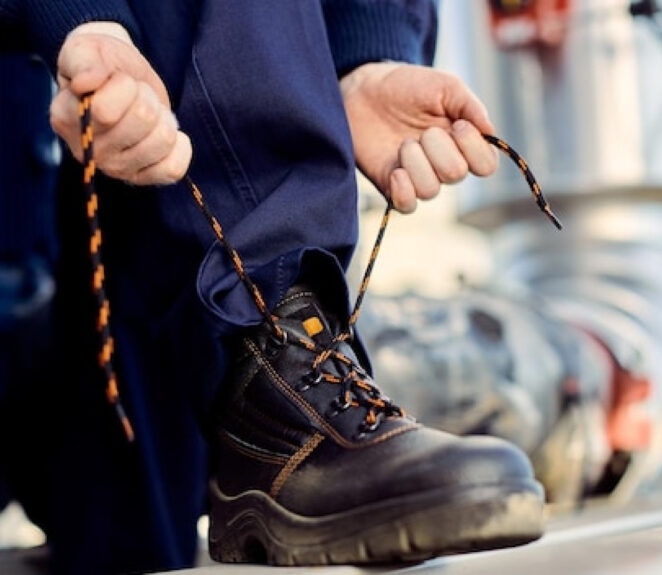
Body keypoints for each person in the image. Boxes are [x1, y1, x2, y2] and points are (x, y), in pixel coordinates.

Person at [0, 1, 547, 573]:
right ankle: (269, 343)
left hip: (96, 315)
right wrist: (83, 18)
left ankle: (275, 367)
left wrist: (366, 50)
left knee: (133, 548)